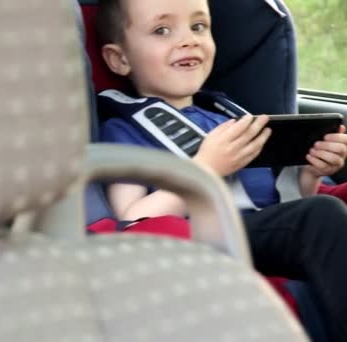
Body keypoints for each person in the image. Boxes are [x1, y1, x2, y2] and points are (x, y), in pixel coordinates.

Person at [96, 0, 347, 338]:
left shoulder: (227, 114)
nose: (188, 40)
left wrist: (311, 173)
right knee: (322, 214)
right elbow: (132, 217)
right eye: (162, 30)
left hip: (271, 231)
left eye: (198, 27)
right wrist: (205, 170)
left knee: (321, 211)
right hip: (209, 237)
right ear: (120, 59)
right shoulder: (125, 130)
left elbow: (283, 201)